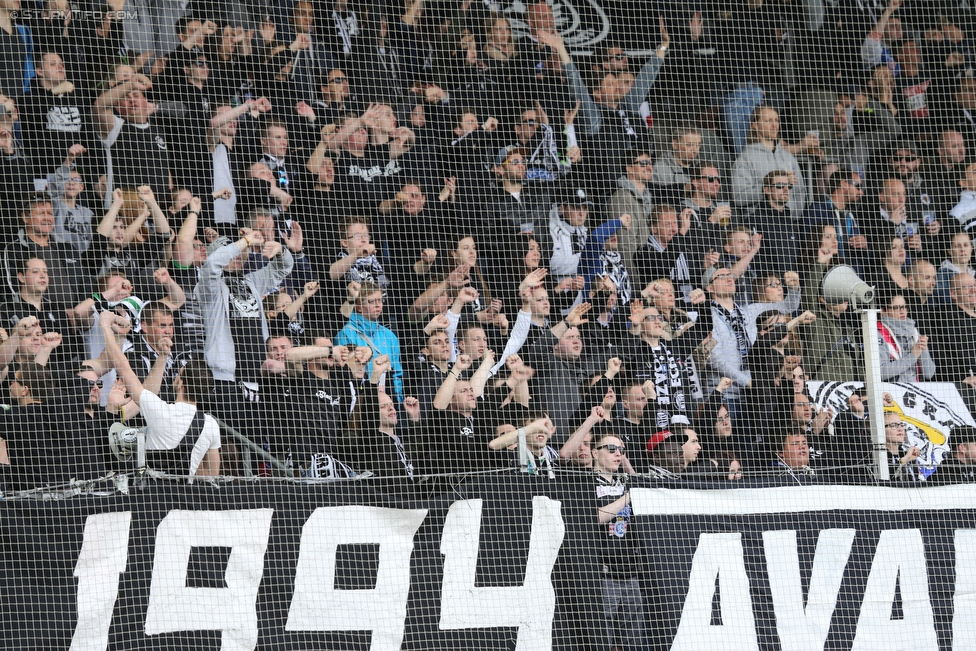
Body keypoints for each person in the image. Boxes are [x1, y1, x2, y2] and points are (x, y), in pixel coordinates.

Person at [98, 310, 220, 480]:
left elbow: (122, 365)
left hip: (155, 497)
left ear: (180, 383)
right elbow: (211, 474)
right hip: (188, 499)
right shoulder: (211, 424)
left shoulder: (159, 410)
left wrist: (105, 326)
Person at [591, 430, 649, 650]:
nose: (618, 454)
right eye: (611, 449)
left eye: (621, 450)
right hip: (604, 576)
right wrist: (628, 497)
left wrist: (627, 466)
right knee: (603, 640)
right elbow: (594, 517)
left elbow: (642, 490)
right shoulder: (586, 481)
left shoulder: (624, 481)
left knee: (631, 642)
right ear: (595, 453)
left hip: (630, 573)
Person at [334, 281, 404, 401]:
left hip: (386, 399)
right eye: (371, 301)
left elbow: (396, 375)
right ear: (359, 307)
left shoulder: (390, 335)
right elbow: (344, 374)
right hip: (359, 398)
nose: (378, 305)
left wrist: (397, 401)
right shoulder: (346, 333)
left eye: (380, 300)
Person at [732, 106, 807, 215]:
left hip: (789, 224)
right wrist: (770, 188)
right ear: (755, 125)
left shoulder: (788, 157)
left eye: (776, 120)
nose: (774, 125)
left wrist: (794, 217)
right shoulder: (745, 158)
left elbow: (800, 191)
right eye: (768, 121)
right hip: (761, 225)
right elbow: (738, 197)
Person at [876, 292, 935, 382]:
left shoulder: (913, 331)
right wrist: (912, 356)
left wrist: (922, 350)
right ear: (883, 311)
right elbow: (881, 373)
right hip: (890, 392)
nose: (902, 311)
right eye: (896, 308)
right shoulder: (878, 333)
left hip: (915, 389)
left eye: (904, 307)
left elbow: (929, 374)